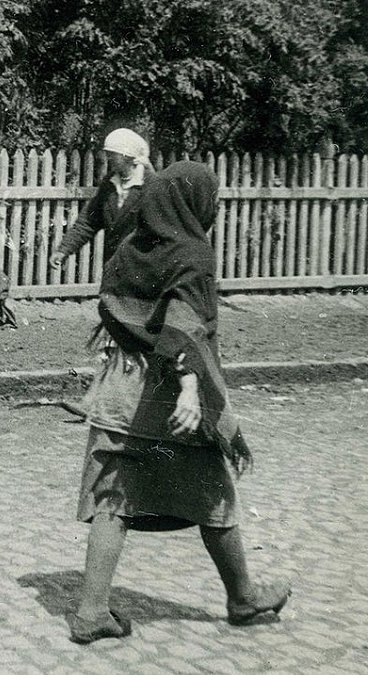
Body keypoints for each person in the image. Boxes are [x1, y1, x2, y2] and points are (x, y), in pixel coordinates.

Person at [69, 161, 290, 644]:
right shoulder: (193, 253)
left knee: (114, 497)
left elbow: (111, 304)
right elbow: (183, 323)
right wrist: (191, 386)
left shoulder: (130, 246)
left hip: (119, 388)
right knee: (214, 490)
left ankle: (91, 612)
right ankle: (244, 597)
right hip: (168, 397)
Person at [51, 128, 153, 270]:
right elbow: (88, 221)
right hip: (113, 265)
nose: (109, 158)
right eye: (108, 154)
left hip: (144, 268)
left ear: (128, 156)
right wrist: (64, 250)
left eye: (113, 155)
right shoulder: (110, 184)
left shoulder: (151, 185)